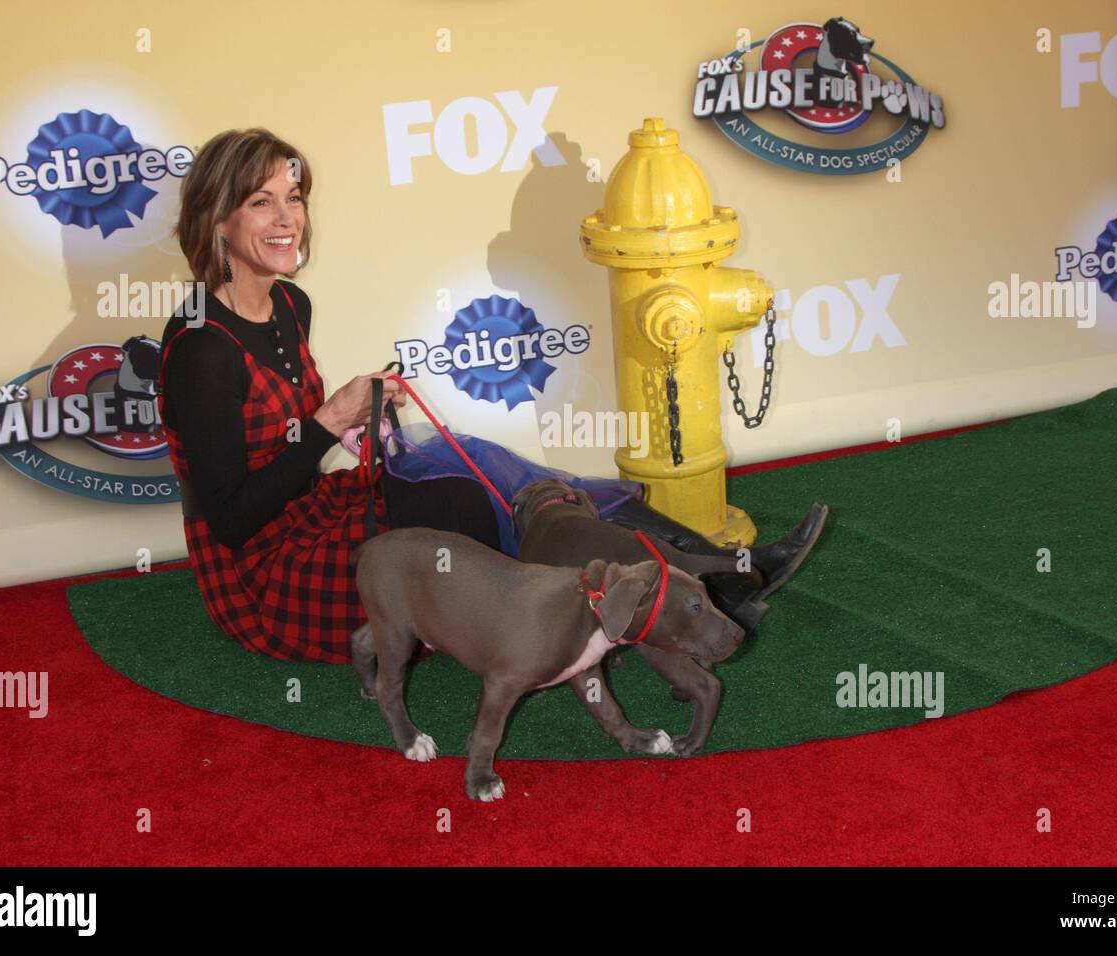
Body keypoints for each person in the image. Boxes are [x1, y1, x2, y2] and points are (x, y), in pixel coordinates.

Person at [158, 127, 819, 666]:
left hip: (313, 513)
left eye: (294, 197)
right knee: (472, 509)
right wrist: (329, 423)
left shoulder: (288, 303)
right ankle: (692, 588)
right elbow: (234, 522)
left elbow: (284, 444)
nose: (288, 219)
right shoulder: (202, 349)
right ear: (217, 219)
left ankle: (707, 572)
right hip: (269, 575)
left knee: (473, 480)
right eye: (261, 202)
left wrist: (355, 425)